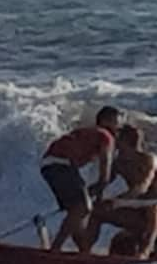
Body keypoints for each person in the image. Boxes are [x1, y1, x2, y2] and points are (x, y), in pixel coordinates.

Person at [38, 105, 121, 251]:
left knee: (77, 211)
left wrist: (90, 193)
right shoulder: (106, 136)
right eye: (117, 123)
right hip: (61, 164)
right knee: (83, 207)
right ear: (106, 121)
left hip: (48, 164)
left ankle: (83, 250)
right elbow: (104, 178)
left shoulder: (88, 132)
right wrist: (98, 200)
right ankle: (55, 248)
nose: (118, 128)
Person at [90, 124, 157, 256]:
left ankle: (144, 252)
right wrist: (85, 195)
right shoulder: (119, 162)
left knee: (153, 208)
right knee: (97, 211)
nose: (115, 144)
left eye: (118, 140)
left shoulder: (148, 160)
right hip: (138, 210)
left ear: (127, 142)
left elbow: (141, 188)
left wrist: (117, 201)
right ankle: (85, 251)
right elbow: (103, 183)